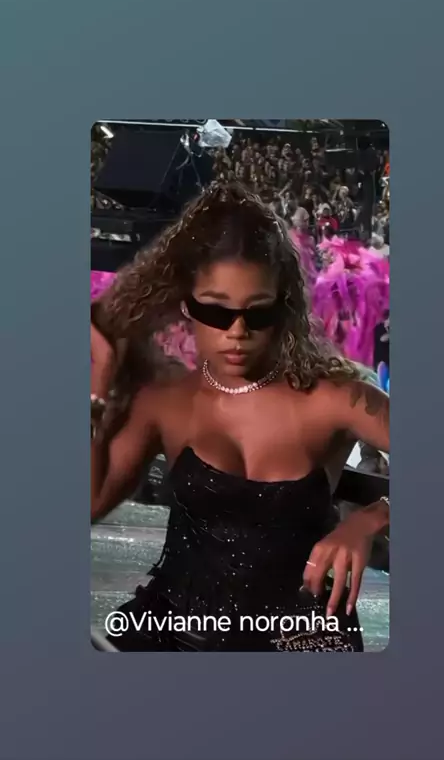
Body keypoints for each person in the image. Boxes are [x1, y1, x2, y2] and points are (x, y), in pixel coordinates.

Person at [91, 182, 389, 652]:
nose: (237, 331)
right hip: (173, 631)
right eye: (216, 310)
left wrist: (373, 518)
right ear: (187, 303)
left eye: (258, 313)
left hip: (302, 639)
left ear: (282, 307)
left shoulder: (336, 399)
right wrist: (98, 385)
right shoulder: (164, 401)